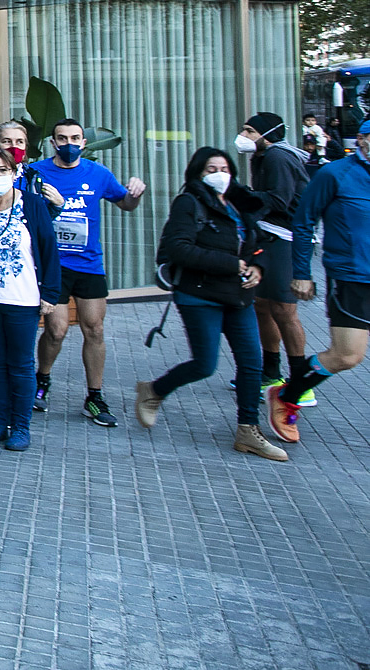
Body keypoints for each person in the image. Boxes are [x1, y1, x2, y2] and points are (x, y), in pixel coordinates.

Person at [137, 148, 287, 461]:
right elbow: (177, 249)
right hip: (200, 295)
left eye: (224, 168)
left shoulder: (238, 203)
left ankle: (248, 430)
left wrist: (257, 267)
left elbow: (257, 243)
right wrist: (231, 264)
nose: (219, 174)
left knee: (251, 363)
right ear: (198, 173)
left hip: (238, 296)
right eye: (211, 169)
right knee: (205, 365)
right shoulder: (189, 202)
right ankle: (154, 390)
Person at [25, 118, 144, 428]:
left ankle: (95, 395)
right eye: (62, 138)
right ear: (53, 143)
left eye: (75, 138)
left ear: (85, 142)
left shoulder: (98, 174)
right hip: (55, 266)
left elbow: (126, 203)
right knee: (57, 329)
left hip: (89, 264)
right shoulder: (37, 172)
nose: (69, 144)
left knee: (95, 329)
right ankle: (43, 379)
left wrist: (136, 193)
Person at [269, 125, 370, 441]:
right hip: (351, 277)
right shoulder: (335, 174)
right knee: (347, 356)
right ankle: (287, 396)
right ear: (363, 139)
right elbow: (303, 222)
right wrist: (301, 273)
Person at [0, 148, 62, 450]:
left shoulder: (32, 204)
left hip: (23, 299)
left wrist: (49, 294)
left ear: (15, 173)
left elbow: (49, 249)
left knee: (20, 364)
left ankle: (21, 426)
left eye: (3, 170)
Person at [235, 113, 311, 396]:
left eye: (249, 131)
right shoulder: (263, 157)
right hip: (268, 236)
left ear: (267, 135)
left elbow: (279, 199)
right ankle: (270, 372)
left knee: (284, 309)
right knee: (262, 306)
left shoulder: (278, 157)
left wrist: (238, 195)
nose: (243, 136)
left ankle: (301, 382)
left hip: (285, 238)